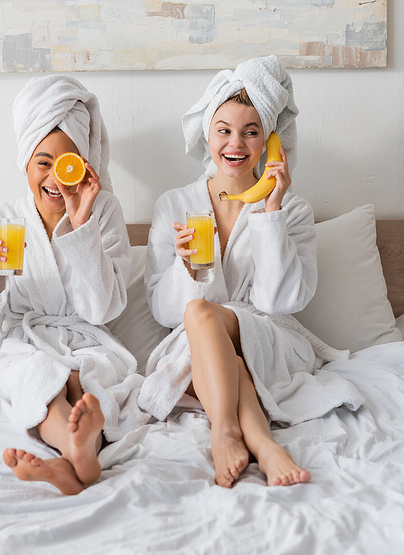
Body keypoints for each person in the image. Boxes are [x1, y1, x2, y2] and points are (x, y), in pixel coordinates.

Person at [138, 56, 362, 488]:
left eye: (251, 131)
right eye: (223, 129)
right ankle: (265, 444)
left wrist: (271, 213)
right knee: (218, 346)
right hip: (199, 345)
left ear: (270, 141)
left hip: (268, 338)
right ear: (208, 132)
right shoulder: (173, 205)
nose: (234, 143)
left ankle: (223, 432)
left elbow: (279, 303)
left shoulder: (292, 209)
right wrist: (187, 271)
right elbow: (165, 312)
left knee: (203, 313)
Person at [0, 75, 147, 495]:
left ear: (84, 164)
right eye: (43, 162)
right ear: (25, 163)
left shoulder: (104, 211)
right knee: (37, 375)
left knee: (85, 380)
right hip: (26, 341)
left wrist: (81, 228)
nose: (55, 178)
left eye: (67, 163)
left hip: (88, 338)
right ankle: (78, 453)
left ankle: (73, 457)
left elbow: (101, 311)